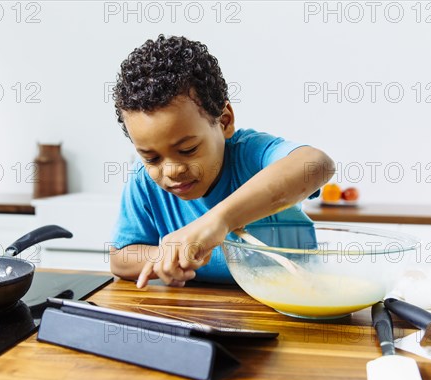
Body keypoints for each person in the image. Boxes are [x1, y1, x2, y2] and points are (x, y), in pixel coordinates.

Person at [110, 35, 335, 288]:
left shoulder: (250, 154)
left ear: (225, 121)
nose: (172, 170)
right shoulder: (144, 181)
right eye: (151, 157)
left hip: (295, 299)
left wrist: (218, 221)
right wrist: (165, 255)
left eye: (188, 149)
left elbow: (316, 164)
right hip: (205, 314)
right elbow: (120, 257)